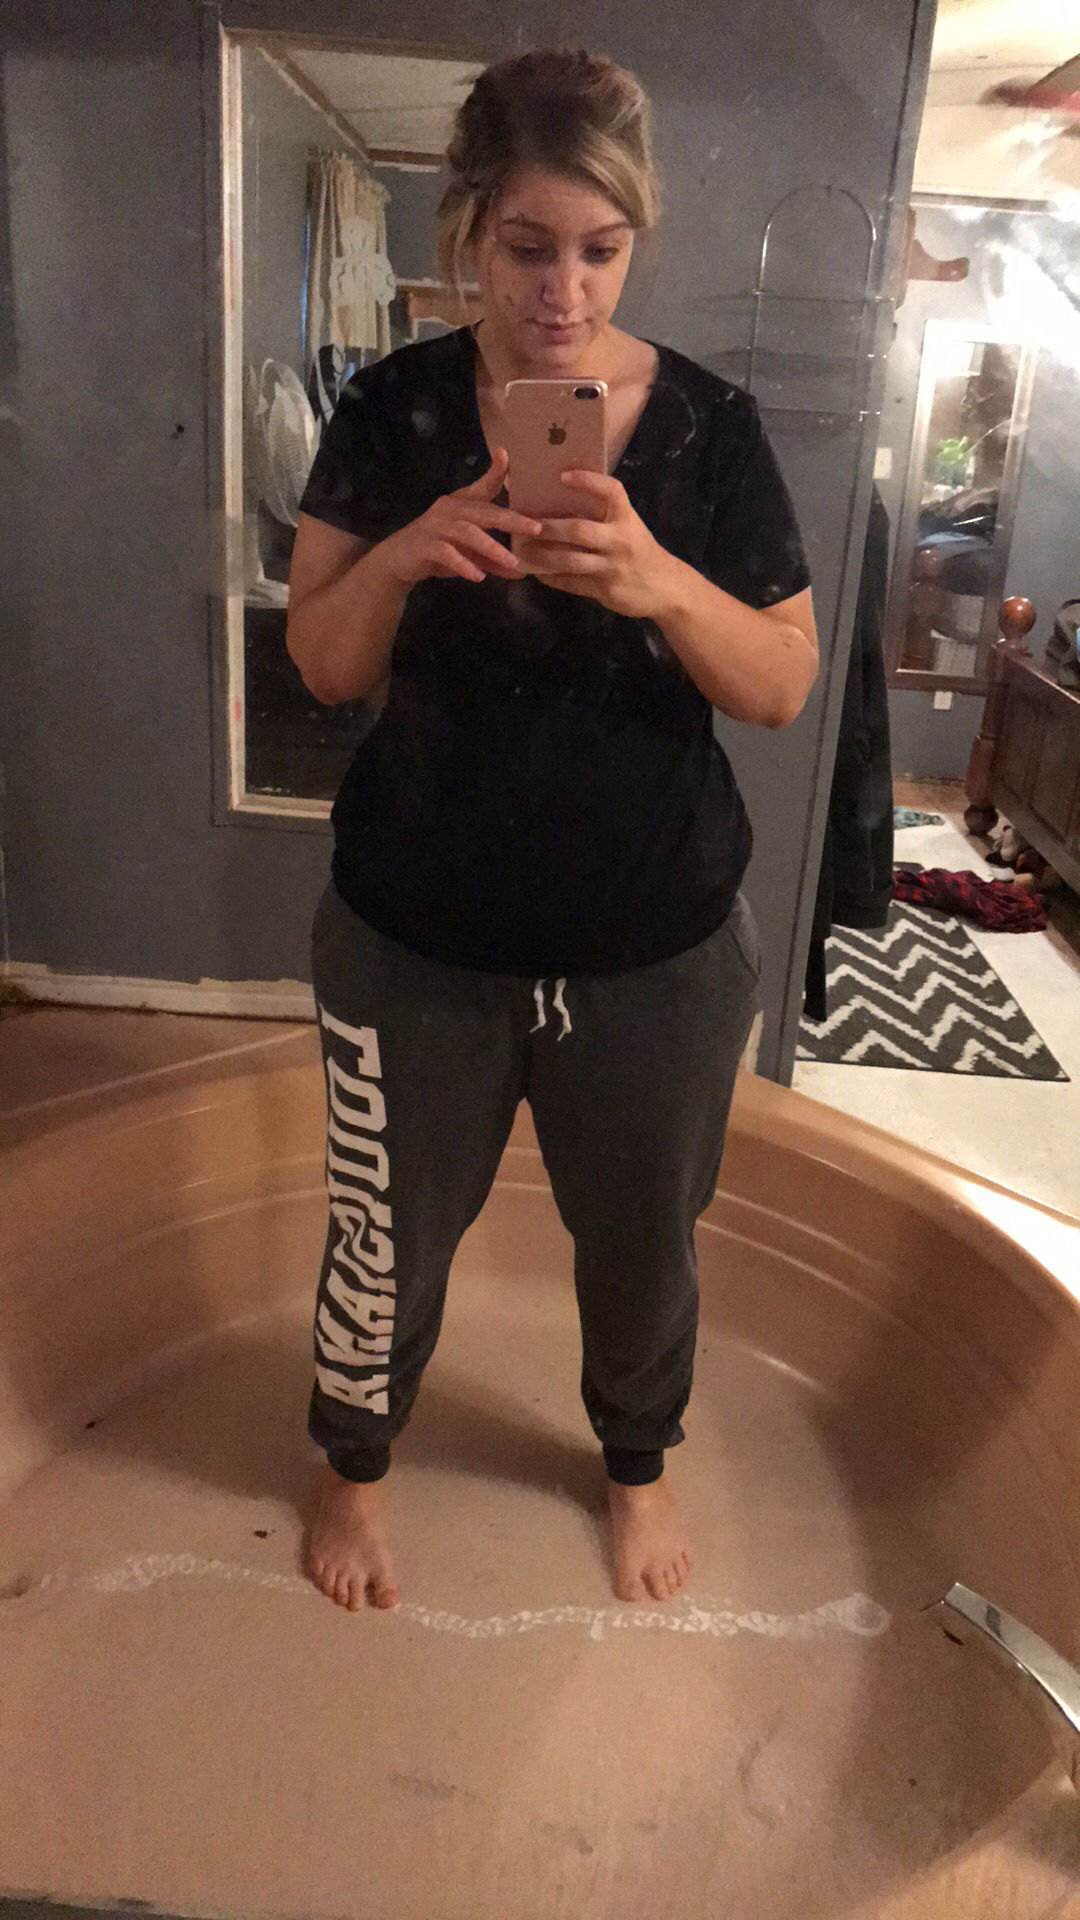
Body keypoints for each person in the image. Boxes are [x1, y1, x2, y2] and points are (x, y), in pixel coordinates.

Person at [287, 47, 818, 1614]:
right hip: (411, 937)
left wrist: (661, 582)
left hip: (657, 946)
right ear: (468, 227)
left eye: (602, 250)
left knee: (647, 1240)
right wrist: (406, 553)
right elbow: (323, 664)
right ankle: (352, 1468)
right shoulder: (389, 411)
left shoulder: (710, 430)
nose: (563, 294)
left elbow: (781, 683)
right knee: (386, 1234)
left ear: (636, 239)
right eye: (528, 248)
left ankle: (634, 1466)